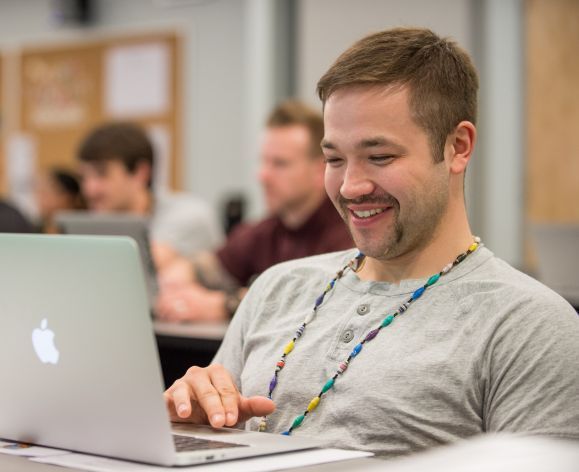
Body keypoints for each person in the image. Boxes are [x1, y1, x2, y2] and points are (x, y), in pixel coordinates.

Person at [163, 28, 579, 458]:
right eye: (334, 159)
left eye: (380, 157)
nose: (350, 187)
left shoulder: (530, 327)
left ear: (458, 147)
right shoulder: (276, 288)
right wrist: (190, 424)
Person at [155, 100, 353, 323]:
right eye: (263, 161)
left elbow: (316, 299)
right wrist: (180, 278)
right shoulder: (266, 230)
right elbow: (211, 266)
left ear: (320, 169)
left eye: (280, 164)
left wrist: (223, 306)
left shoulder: (348, 231)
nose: (263, 176)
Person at [76, 122, 223, 268]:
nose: (89, 190)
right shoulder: (103, 220)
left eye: (102, 174)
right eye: (84, 177)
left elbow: (144, 269)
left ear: (140, 173)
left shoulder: (190, 215)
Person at [34, 167, 86, 234]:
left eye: (45, 191)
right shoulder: (34, 227)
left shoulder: (83, 228)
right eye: (39, 190)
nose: (39, 197)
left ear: (67, 197)